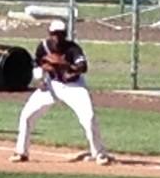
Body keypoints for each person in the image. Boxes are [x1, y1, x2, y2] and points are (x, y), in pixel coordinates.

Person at [10, 19, 112, 165]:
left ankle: (99, 153)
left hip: (73, 86)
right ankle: (21, 152)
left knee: (88, 117)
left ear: (65, 34)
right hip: (51, 85)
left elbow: (83, 67)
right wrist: (41, 76)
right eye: (54, 34)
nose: (57, 38)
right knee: (27, 115)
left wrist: (65, 65)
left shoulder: (72, 49)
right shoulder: (44, 47)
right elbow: (37, 64)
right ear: (49, 34)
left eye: (60, 34)